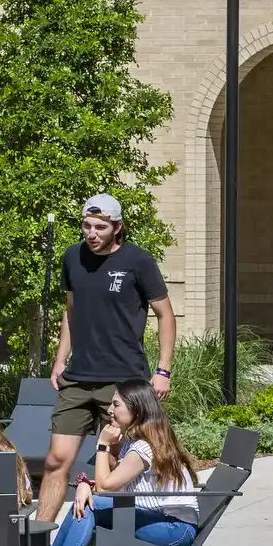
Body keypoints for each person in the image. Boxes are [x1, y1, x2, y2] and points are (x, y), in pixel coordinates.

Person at [40, 193, 177, 528]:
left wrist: (163, 370)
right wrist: (60, 360)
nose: (92, 233)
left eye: (100, 226)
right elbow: (71, 312)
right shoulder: (73, 257)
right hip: (78, 378)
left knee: (112, 463)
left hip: (123, 380)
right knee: (56, 459)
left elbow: (166, 315)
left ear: (118, 227)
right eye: (86, 226)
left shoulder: (138, 261)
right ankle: (38, 545)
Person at [45, 379, 200, 546]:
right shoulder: (135, 441)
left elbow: (106, 486)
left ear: (136, 409)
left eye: (116, 405)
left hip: (175, 531)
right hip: (156, 521)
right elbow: (111, 483)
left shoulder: (143, 448)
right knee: (84, 503)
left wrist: (103, 444)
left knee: (90, 506)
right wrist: (85, 485)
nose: (109, 410)